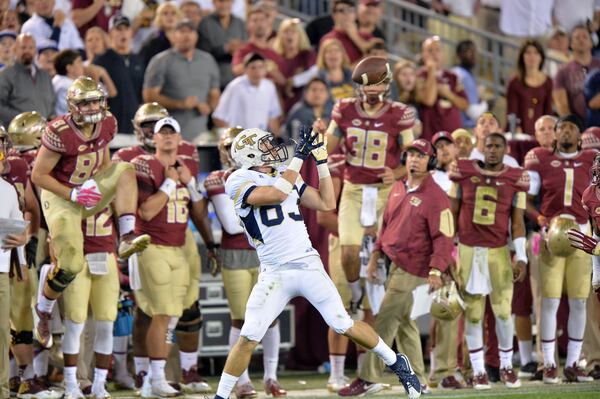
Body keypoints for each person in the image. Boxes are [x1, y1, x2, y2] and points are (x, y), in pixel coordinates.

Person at [212, 125, 422, 399]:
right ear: (250, 154)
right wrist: (299, 157)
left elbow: (326, 202)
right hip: (274, 271)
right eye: (264, 146)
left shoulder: (284, 175)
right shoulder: (237, 179)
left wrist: (321, 163)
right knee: (249, 335)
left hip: (307, 264)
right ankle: (221, 396)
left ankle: (397, 363)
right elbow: (275, 194)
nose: (272, 149)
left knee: (342, 323)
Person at [30, 76, 150, 349]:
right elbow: (38, 175)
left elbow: (105, 160)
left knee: (124, 168)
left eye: (97, 100)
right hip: (61, 196)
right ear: (73, 106)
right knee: (70, 265)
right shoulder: (59, 131)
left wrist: (99, 188)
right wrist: (72, 193)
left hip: (87, 188)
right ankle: (44, 309)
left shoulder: (108, 122)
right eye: (86, 102)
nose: (94, 106)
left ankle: (128, 234)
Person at [338, 138, 453, 396]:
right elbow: (386, 223)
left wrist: (436, 269)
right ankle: (420, 380)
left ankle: (369, 377)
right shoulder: (399, 186)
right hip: (392, 263)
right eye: (411, 154)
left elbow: (444, 238)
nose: (414, 159)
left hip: (414, 268)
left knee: (385, 321)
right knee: (405, 324)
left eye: (421, 156)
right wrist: (377, 253)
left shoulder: (437, 197)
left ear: (431, 160)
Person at [325, 56, 415, 317]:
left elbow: (413, 155)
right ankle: (355, 294)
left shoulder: (399, 113)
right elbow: (327, 146)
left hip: (385, 191)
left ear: (387, 85)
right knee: (349, 253)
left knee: (387, 253)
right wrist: (319, 137)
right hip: (353, 189)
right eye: (368, 87)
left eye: (377, 86)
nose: (373, 92)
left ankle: (388, 304)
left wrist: (397, 172)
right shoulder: (344, 109)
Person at [203, 127, 286, 397]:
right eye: (226, 147)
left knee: (272, 317)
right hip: (236, 254)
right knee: (242, 320)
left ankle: (271, 377)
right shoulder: (220, 179)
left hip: (268, 252)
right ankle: (243, 381)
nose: (230, 153)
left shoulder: (268, 174)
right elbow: (230, 224)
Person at [131, 117, 210, 397]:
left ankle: (156, 378)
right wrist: (168, 185)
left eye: (171, 132)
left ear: (179, 140)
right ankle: (154, 379)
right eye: (161, 133)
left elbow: (199, 211)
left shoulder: (184, 168)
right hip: (152, 246)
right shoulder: (144, 165)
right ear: (153, 138)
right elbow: (146, 212)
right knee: (162, 314)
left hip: (178, 247)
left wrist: (190, 184)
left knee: (172, 315)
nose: (166, 137)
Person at [450, 133, 529, 389]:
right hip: (468, 250)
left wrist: (522, 256)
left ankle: (506, 366)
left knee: (504, 313)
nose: (492, 150)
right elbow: (450, 215)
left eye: (498, 146)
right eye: (489, 146)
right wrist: (448, 253)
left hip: (498, 251)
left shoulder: (516, 178)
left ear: (505, 150)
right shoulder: (462, 171)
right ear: (481, 148)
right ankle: (478, 370)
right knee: (473, 315)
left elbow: (517, 223)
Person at [524, 114, 596, 383]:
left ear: (580, 135)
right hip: (550, 234)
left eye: (571, 128)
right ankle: (550, 363)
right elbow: (528, 201)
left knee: (579, 301)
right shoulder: (539, 157)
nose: (565, 132)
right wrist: (540, 219)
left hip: (580, 232)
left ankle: (574, 363)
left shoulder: (591, 159)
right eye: (561, 128)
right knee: (550, 300)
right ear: (554, 134)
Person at [60, 206, 119, 399]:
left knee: (106, 322)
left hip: (106, 255)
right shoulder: (68, 183)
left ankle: (99, 384)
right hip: (77, 257)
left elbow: (123, 216)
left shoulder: (113, 184)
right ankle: (70, 383)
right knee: (74, 322)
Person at [143, 19, 220, 141]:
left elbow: (215, 93)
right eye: (182, 31)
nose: (187, 35)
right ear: (174, 36)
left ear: (196, 36)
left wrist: (209, 107)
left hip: (201, 134)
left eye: (191, 31)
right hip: (167, 135)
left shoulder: (208, 60)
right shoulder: (160, 61)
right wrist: (180, 104)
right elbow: (149, 96)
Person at [0, 128, 29, 399]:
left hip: (1, 269)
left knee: (0, 332)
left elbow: (19, 230)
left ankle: (1, 390)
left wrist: (21, 252)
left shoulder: (8, 189)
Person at [93, 14, 145, 135]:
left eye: (126, 29)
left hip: (135, 127)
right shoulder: (101, 60)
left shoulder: (138, 60)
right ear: (110, 33)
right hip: (110, 127)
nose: (123, 33)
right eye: (118, 29)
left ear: (131, 32)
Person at [213, 53, 282, 135]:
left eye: (260, 67)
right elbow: (218, 117)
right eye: (253, 68)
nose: (257, 71)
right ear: (245, 70)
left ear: (265, 69)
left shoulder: (269, 87)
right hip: (239, 141)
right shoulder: (235, 87)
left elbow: (273, 116)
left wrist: (276, 141)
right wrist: (232, 138)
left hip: (260, 141)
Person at [416, 36, 468, 141]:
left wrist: (449, 94)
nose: (434, 54)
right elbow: (428, 101)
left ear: (443, 54)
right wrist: (432, 71)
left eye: (438, 50)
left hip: (453, 137)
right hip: (430, 137)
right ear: (423, 55)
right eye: (430, 50)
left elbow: (465, 105)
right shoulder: (419, 76)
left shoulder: (452, 77)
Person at [0, 33, 55, 126]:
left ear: (35, 51)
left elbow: (52, 104)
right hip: (17, 135)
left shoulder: (45, 75)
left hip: (43, 132)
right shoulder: (6, 75)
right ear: (15, 50)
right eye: (23, 47)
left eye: (30, 48)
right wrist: (24, 121)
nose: (27, 51)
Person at [506, 40, 553, 136]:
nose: (532, 56)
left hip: (542, 133)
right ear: (522, 57)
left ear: (541, 57)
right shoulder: (514, 83)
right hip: (519, 132)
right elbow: (512, 112)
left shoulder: (548, 82)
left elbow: (548, 111)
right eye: (528, 53)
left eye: (536, 53)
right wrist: (517, 131)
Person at [554, 25, 600, 121]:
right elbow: (561, 105)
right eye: (577, 38)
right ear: (571, 44)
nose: (581, 40)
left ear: (591, 43)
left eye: (585, 37)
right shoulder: (562, 71)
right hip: (577, 126)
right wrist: (573, 126)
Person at [197, 0, 246, 89]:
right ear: (214, 3)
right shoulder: (205, 23)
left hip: (236, 79)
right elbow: (202, 52)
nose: (224, 5)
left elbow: (245, 49)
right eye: (221, 1)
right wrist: (225, 48)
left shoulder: (240, 23)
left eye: (228, 1)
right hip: (213, 79)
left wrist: (238, 50)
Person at [272, 18, 316, 114]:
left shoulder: (307, 55)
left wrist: (293, 81)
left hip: (305, 108)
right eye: (286, 32)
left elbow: (314, 74)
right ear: (280, 36)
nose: (290, 35)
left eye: (293, 32)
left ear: (300, 36)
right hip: (280, 108)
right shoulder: (275, 58)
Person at [320, 0, 375, 65]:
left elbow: (377, 61)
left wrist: (355, 37)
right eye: (341, 10)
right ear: (333, 15)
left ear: (355, 14)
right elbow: (334, 71)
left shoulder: (366, 36)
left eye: (350, 10)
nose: (346, 13)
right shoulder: (328, 39)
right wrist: (364, 62)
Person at [451, 40, 488, 129]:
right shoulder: (460, 75)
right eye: (468, 52)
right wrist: (486, 105)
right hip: (463, 128)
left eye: (474, 51)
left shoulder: (467, 74)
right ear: (459, 55)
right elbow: (470, 110)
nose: (473, 55)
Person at [285, 77, 333, 145]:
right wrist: (313, 133)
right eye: (314, 90)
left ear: (328, 94)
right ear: (305, 93)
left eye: (321, 90)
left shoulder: (333, 111)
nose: (317, 93)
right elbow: (295, 144)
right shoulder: (298, 112)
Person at [139, 2, 182, 68]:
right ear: (159, 18)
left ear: (179, 17)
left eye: (173, 13)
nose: (169, 16)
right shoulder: (153, 40)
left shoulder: (185, 38)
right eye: (165, 13)